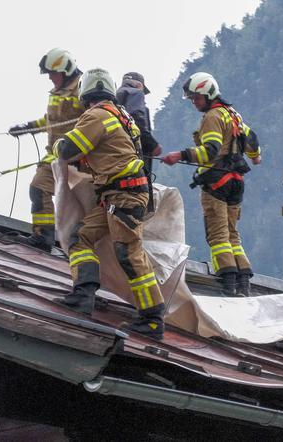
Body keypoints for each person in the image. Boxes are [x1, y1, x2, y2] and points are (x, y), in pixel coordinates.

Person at [51, 68, 165, 339]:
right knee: (81, 238)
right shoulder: (122, 116)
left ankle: (152, 319)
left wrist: (57, 146)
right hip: (117, 195)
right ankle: (83, 295)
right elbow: (113, 152)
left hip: (123, 196)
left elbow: (67, 149)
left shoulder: (96, 115)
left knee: (128, 252)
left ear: (86, 94)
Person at [161, 72, 261, 297]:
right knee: (232, 234)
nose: (195, 103)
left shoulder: (213, 117)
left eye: (197, 98)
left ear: (208, 94)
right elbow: (251, 138)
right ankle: (243, 280)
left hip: (216, 182)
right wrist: (255, 156)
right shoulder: (233, 115)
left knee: (218, 235)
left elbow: (210, 151)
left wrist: (180, 155)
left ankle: (227, 281)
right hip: (236, 182)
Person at [8, 48, 84, 251]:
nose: (50, 78)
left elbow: (92, 121)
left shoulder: (82, 90)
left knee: (41, 188)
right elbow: (51, 120)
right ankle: (43, 236)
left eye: (53, 73)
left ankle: (46, 238)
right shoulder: (58, 92)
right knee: (39, 188)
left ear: (65, 71)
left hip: (74, 156)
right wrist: (27, 127)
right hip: (55, 155)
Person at [116, 72, 162, 211]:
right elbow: (136, 120)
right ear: (139, 85)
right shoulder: (135, 93)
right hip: (135, 164)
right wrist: (152, 145)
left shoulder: (114, 99)